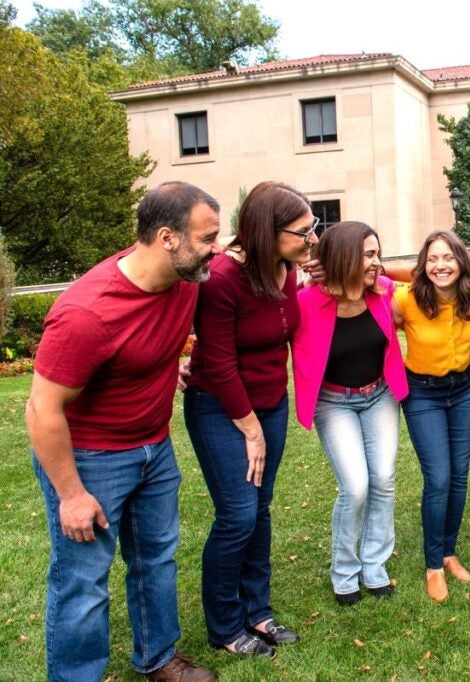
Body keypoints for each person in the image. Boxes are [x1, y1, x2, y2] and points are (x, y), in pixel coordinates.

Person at [25, 182, 222, 682]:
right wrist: (71, 495)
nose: (215, 249)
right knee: (83, 580)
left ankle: (158, 658)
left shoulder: (185, 279)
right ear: (167, 238)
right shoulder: (86, 314)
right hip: (90, 460)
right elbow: (42, 410)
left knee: (157, 559)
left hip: (154, 448)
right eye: (208, 237)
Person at [183, 182, 319, 657]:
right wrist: (250, 429)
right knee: (237, 514)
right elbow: (218, 365)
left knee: (259, 509)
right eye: (302, 231)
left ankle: (257, 611)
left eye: (313, 228)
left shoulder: (283, 269)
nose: (311, 239)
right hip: (220, 408)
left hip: (270, 403)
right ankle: (225, 627)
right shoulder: (221, 279)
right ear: (268, 231)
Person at [291, 221, 409, 605]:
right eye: (370, 255)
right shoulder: (306, 301)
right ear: (344, 258)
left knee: (384, 479)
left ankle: (374, 566)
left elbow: (414, 282)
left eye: (378, 253)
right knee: (355, 486)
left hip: (379, 396)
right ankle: (344, 572)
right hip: (333, 402)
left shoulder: (383, 291)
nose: (378, 262)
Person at [392, 231, 470, 601]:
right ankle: (433, 565)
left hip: (466, 387)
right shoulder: (406, 299)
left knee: (459, 474)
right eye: (432, 259)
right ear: (423, 265)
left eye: (448, 257)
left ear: (461, 261)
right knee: (438, 477)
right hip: (422, 393)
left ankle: (449, 552)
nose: (440, 265)